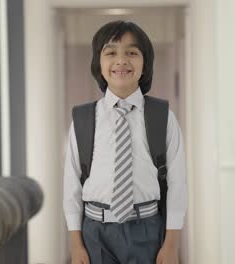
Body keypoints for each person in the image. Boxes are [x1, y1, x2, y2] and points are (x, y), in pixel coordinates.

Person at [63, 20, 187, 264]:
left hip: (147, 230)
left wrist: (171, 244)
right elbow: (71, 186)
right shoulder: (83, 119)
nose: (121, 60)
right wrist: (75, 245)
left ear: (145, 65)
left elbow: (177, 183)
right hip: (95, 232)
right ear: (99, 64)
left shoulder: (162, 116)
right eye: (111, 52)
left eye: (132, 52)